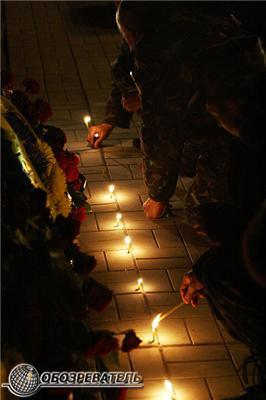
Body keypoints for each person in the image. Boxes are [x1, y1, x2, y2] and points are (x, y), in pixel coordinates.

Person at [88, 1, 242, 220]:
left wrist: (158, 196)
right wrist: (110, 121)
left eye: (127, 36)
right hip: (218, 115)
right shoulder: (165, 21)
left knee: (202, 214)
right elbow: (127, 68)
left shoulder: (160, 49)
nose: (129, 43)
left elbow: (162, 131)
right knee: (184, 159)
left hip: (239, 131)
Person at [180, 38, 266, 400]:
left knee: (221, 274)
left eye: (214, 114)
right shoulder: (255, 135)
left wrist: (221, 227)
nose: (216, 123)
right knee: (214, 269)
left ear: (233, 103)